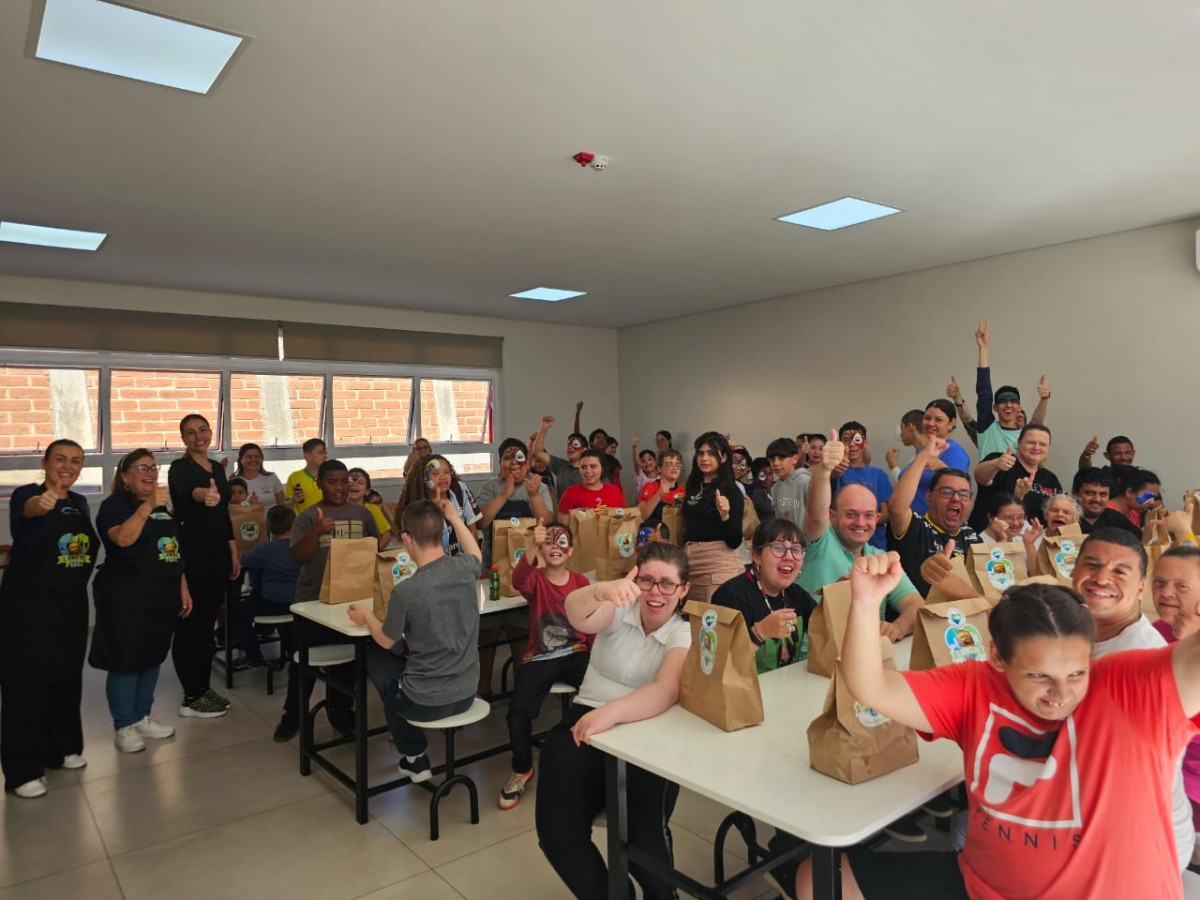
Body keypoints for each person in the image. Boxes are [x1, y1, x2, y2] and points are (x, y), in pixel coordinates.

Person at [800, 551, 1200, 900]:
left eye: (1077, 673)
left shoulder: (1135, 688)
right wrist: (866, 603)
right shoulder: (975, 685)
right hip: (983, 887)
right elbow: (872, 687)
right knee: (819, 879)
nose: (1060, 695)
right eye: (1039, 676)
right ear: (997, 658)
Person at [535, 543, 692, 900]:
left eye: (667, 584)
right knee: (557, 831)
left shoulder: (683, 631)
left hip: (648, 734)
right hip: (586, 719)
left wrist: (610, 713)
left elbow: (666, 690)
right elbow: (576, 613)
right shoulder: (620, 610)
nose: (655, 592)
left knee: (642, 840)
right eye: (647, 580)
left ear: (683, 589)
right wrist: (601, 590)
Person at [1069, 528, 1195, 875]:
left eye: (1119, 572)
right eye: (1092, 565)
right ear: (1074, 571)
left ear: (1140, 587)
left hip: (1141, 846)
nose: (1101, 578)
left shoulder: (1144, 658)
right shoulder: (1073, 631)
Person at [347, 498, 481, 783]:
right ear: (442, 532)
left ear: (407, 539)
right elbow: (476, 552)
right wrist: (454, 517)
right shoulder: (466, 569)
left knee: (377, 658)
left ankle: (414, 755)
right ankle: (411, 752)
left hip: (425, 702)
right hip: (468, 693)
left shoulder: (407, 591)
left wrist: (367, 616)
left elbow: (386, 640)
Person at [0, 440, 98, 796]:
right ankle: (23, 770)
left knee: (66, 678)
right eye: (60, 459)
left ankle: (62, 748)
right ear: (45, 463)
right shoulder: (27, 495)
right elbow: (30, 511)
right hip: (28, 606)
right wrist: (42, 504)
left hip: (70, 605)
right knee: (26, 685)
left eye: (76, 461)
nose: (68, 466)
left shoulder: (80, 502)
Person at [90, 450, 188, 753]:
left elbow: (171, 548)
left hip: (162, 594)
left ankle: (143, 716)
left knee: (152, 656)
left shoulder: (162, 507)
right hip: (126, 596)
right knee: (126, 660)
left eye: (153, 468)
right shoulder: (114, 506)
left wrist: (183, 588)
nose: (150, 473)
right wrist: (147, 506)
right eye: (142, 468)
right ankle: (124, 725)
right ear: (125, 476)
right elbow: (123, 539)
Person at [276, 460, 378, 740]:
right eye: (332, 481)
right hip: (312, 603)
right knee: (303, 662)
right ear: (319, 483)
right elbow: (298, 556)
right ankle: (292, 715)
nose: (340, 487)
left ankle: (341, 713)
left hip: (351, 601)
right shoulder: (308, 516)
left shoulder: (362, 514)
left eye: (344, 481)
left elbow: (373, 548)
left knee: (347, 664)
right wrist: (316, 532)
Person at [499, 520, 593, 810]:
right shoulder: (535, 580)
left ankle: (589, 761)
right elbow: (519, 578)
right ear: (541, 550)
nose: (555, 547)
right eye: (549, 542)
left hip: (576, 652)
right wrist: (533, 544)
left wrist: (595, 658)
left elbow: (591, 623)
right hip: (540, 656)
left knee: (597, 697)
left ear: (571, 550)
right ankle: (522, 769)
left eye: (561, 542)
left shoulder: (581, 582)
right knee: (517, 713)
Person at [798, 432, 922, 641]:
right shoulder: (819, 541)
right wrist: (824, 470)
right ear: (832, 516)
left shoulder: (881, 558)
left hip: (868, 652)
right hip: (816, 656)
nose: (861, 523)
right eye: (851, 514)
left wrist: (898, 628)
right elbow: (815, 513)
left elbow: (916, 605)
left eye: (869, 515)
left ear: (878, 518)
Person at [168, 414, 238, 718]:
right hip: (192, 556)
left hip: (218, 555)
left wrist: (233, 551)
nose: (198, 436)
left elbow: (224, 515)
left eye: (203, 430)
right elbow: (189, 492)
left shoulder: (217, 469)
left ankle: (203, 687)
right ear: (183, 438)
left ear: (210, 432)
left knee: (207, 623)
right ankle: (191, 695)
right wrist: (204, 495)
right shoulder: (180, 468)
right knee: (190, 624)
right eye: (190, 432)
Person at [1150, 546, 1200, 868]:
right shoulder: (1154, 632)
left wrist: (1193, 644)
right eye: (1159, 582)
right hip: (1164, 771)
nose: (1167, 593)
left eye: (1181, 586)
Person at [713, 518, 815, 672]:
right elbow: (718, 666)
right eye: (778, 548)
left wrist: (842, 594)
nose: (789, 557)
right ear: (756, 556)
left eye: (796, 550)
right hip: (745, 687)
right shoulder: (731, 596)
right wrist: (760, 632)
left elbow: (828, 630)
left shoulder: (797, 594)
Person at [888, 436, 981, 600]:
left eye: (963, 494)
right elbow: (896, 507)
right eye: (947, 492)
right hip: (917, 612)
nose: (956, 498)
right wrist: (924, 456)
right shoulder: (916, 527)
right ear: (929, 496)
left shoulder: (972, 536)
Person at [955, 320, 1050, 457]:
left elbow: (1037, 422)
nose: (1008, 405)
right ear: (995, 408)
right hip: (988, 472)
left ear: (1020, 407)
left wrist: (1044, 398)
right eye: (1003, 401)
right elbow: (984, 393)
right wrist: (983, 349)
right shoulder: (987, 428)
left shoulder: (1026, 436)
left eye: (1013, 401)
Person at [231, 505, 302, 675]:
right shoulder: (303, 547)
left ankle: (253, 656)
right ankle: (291, 650)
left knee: (237, 612)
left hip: (272, 602)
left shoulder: (265, 550)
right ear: (294, 524)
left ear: (267, 526)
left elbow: (242, 560)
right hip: (299, 604)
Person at [680, 432, 745, 602]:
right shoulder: (693, 485)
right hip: (689, 562)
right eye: (700, 453)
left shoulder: (731, 490)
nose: (704, 458)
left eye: (711, 453)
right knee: (692, 617)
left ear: (723, 457)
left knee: (715, 617)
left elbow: (735, 540)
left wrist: (725, 515)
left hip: (718, 564)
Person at [475, 439, 554, 566]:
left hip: (530, 564)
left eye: (519, 457)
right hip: (493, 566)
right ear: (500, 464)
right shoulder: (489, 487)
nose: (514, 462)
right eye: (508, 458)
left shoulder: (539, 487)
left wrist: (534, 495)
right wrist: (504, 495)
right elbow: (480, 523)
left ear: (527, 463)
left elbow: (546, 525)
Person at [971, 423, 1062, 530]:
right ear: (1019, 442)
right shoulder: (1001, 460)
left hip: (1033, 538)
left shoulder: (1051, 479)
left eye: (1042, 444)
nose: (1036, 447)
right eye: (1031, 442)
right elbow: (980, 477)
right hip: (988, 536)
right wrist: (996, 464)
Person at [396, 454, 482, 556]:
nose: (443, 477)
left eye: (446, 472)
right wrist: (433, 513)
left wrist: (473, 561)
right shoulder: (417, 506)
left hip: (464, 560)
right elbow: (419, 548)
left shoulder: (459, 489)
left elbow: (472, 529)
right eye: (435, 473)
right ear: (424, 478)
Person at [900, 400, 971, 517]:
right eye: (927, 418)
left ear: (951, 423)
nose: (931, 423)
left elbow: (958, 491)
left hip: (931, 523)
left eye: (938, 420)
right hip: (907, 521)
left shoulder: (955, 452)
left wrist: (941, 468)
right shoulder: (924, 450)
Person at [833, 422, 892, 550]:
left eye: (857, 439)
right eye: (846, 440)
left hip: (875, 546)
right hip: (840, 546)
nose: (852, 444)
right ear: (840, 443)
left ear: (865, 443)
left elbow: (887, 514)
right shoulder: (836, 473)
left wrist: (864, 521)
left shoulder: (879, 475)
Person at [556, 449, 626, 525]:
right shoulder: (570, 492)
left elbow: (624, 519)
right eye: (583, 467)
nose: (588, 471)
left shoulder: (614, 490)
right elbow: (563, 527)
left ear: (602, 469)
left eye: (593, 466)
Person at [1073, 467, 1141, 537]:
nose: (1097, 499)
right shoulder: (1067, 519)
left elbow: (1142, 539)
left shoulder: (1116, 518)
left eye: (1103, 494)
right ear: (1075, 493)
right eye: (1090, 493)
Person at [531, 414, 587, 495]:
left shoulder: (590, 470)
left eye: (575, 444)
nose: (570, 447)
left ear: (584, 449)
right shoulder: (560, 465)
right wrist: (544, 429)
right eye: (568, 444)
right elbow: (538, 452)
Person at [637, 448, 685, 530]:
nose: (674, 468)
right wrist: (658, 496)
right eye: (669, 464)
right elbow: (641, 516)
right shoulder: (650, 486)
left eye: (677, 465)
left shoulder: (682, 491)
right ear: (659, 468)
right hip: (655, 532)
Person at [768, 436, 810, 526]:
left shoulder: (804, 481)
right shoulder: (775, 488)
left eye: (781, 459)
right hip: (787, 533)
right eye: (772, 460)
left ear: (794, 459)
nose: (776, 463)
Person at [347, 467, 392, 548]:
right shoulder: (337, 509)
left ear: (367, 491)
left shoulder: (372, 509)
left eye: (360, 482)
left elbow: (386, 535)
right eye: (350, 481)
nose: (354, 484)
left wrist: (374, 551)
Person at [233, 442, 286, 508]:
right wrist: (248, 504)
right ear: (240, 460)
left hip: (273, 515)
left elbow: (282, 506)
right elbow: (233, 509)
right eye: (249, 456)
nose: (253, 459)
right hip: (246, 515)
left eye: (257, 456)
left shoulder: (272, 478)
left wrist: (293, 501)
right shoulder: (234, 482)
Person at [285, 438, 327, 513]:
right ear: (308, 456)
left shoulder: (330, 476)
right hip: (303, 519)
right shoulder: (294, 477)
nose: (325, 456)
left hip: (326, 518)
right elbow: (286, 507)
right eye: (320, 452)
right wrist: (293, 500)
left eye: (325, 453)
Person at [884, 409, 925, 485]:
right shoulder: (916, 458)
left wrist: (892, 464)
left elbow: (906, 485)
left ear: (910, 426)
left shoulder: (929, 456)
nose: (900, 434)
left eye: (902, 428)